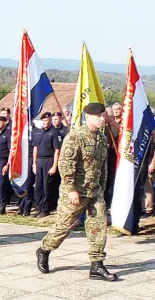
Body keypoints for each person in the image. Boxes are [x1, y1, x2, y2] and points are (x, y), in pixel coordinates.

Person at [36, 103, 118, 282]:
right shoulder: (76, 137)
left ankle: (97, 265)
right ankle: (44, 249)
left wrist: (102, 188)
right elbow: (66, 164)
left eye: (104, 116)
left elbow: (102, 166)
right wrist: (71, 189)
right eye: (99, 116)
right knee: (64, 227)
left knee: (99, 226)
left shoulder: (102, 139)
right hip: (74, 192)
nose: (102, 119)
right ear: (87, 117)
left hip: (94, 191)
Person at [33, 112, 61, 218]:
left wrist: (54, 166)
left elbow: (57, 150)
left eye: (46, 121)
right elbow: (35, 148)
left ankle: (46, 209)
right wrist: (34, 164)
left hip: (49, 161)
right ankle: (39, 207)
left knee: (47, 186)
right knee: (38, 186)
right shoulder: (39, 133)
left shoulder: (54, 133)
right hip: (39, 161)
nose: (45, 123)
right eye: (43, 121)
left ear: (50, 121)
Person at [17, 123, 41, 216]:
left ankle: (27, 208)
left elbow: (36, 148)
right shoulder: (22, 133)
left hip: (30, 159)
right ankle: (21, 206)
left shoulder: (37, 132)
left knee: (28, 184)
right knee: (21, 184)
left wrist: (34, 163)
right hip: (22, 159)